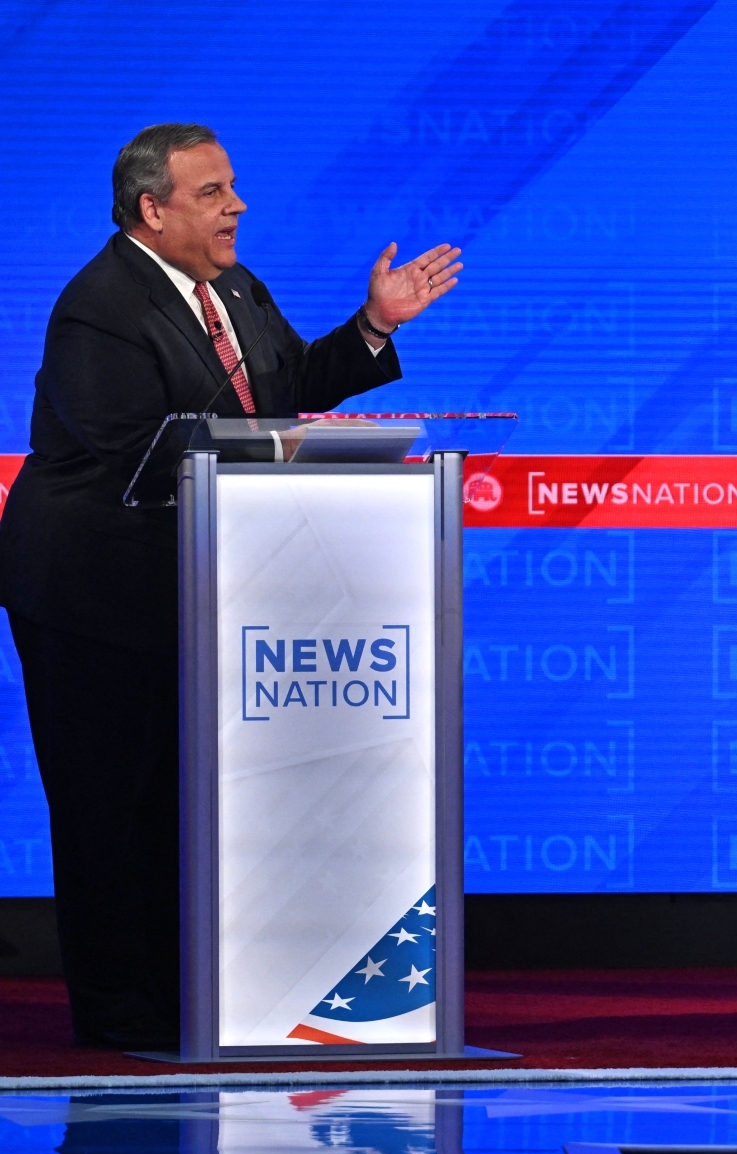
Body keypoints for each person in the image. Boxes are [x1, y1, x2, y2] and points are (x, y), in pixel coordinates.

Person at [0, 124, 462, 1048]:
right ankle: (118, 1013)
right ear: (152, 209)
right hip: (94, 596)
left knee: (178, 803)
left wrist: (372, 326)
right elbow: (138, 446)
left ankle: (185, 998)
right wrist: (260, 468)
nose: (236, 206)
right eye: (212, 193)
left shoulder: (234, 289)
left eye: (233, 188)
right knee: (107, 805)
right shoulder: (99, 306)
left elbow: (284, 390)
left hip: (197, 588)